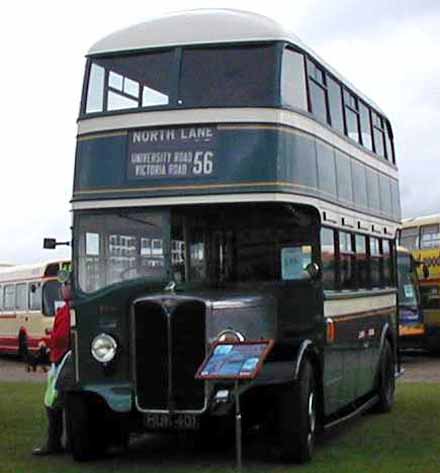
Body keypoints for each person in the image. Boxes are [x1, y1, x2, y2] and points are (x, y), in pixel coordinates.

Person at [32, 278, 72, 456]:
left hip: (62, 360)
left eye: (64, 285)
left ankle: (53, 443)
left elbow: (62, 338)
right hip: (63, 358)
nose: (62, 289)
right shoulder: (69, 309)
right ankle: (69, 441)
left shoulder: (67, 310)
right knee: (66, 403)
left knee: (52, 402)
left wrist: (46, 340)